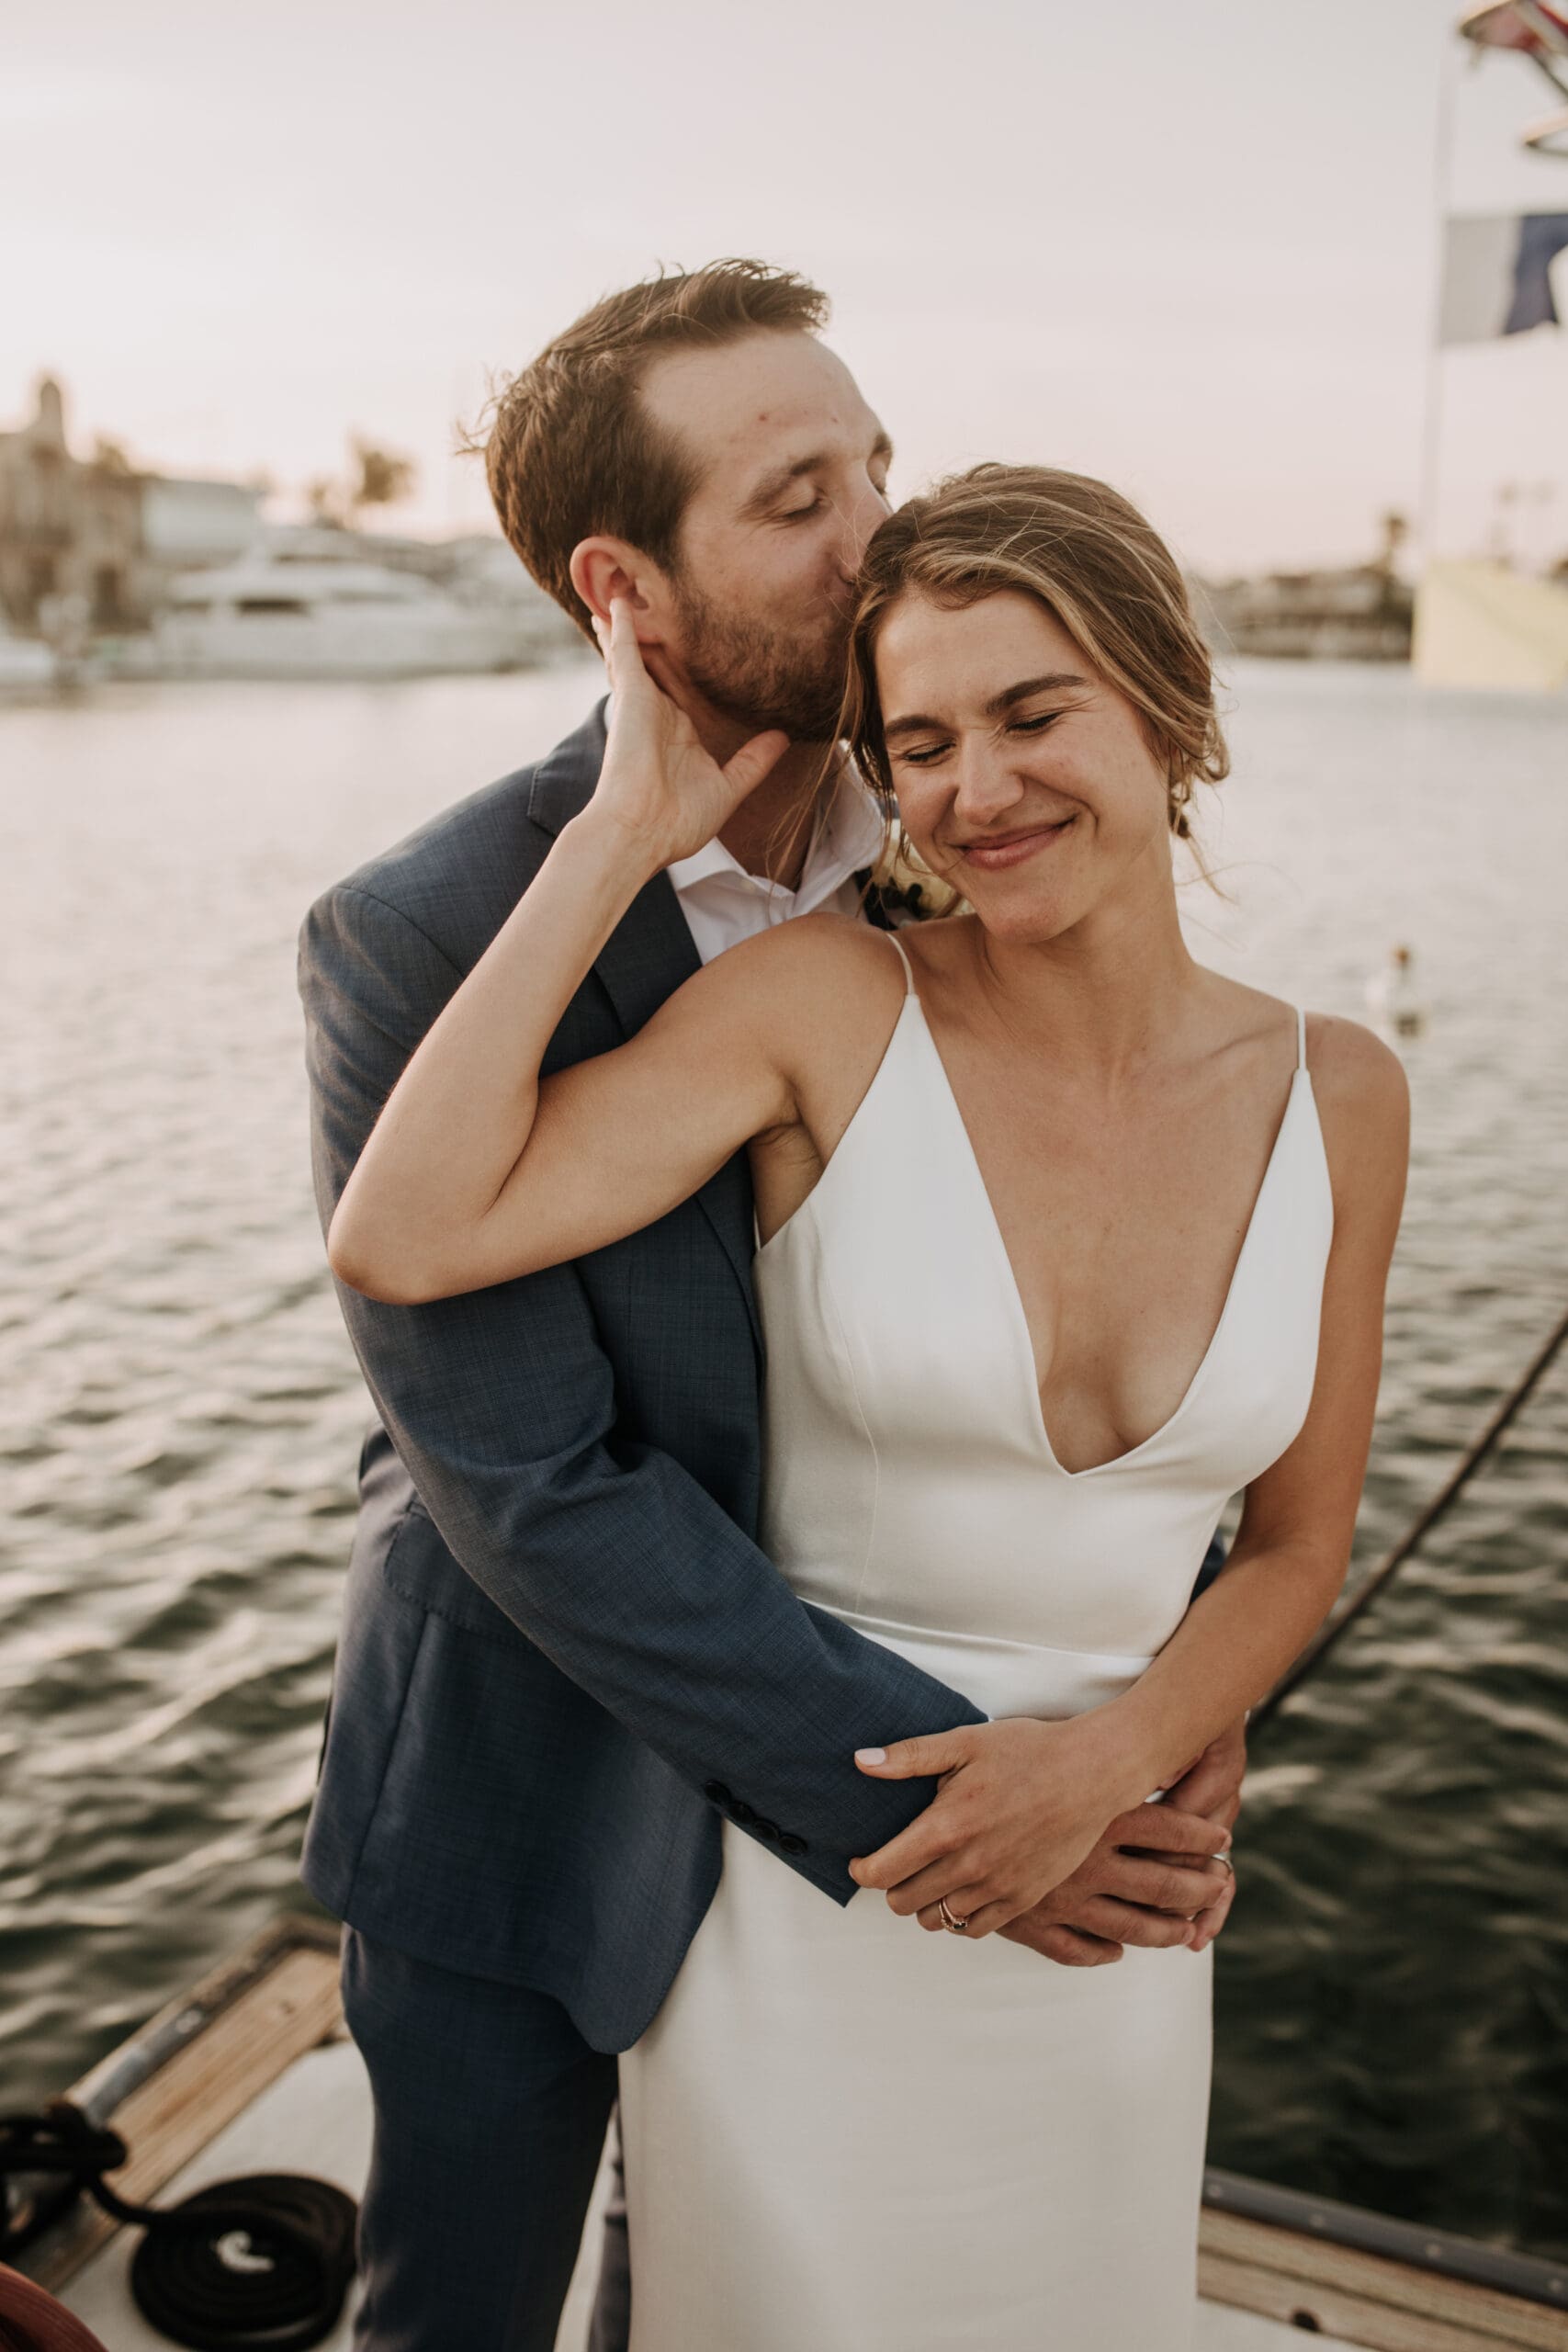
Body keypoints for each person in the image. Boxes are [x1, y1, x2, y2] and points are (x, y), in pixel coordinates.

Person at [329, 458, 1409, 2348]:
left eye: (1031, 711)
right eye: (916, 741)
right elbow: (406, 1229)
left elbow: (1294, 1539)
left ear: (1168, 700)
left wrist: (1121, 1746)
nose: (976, 789)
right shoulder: (819, 1005)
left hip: (1114, 1904)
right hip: (796, 1898)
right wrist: (615, 829)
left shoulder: (1343, 1091)